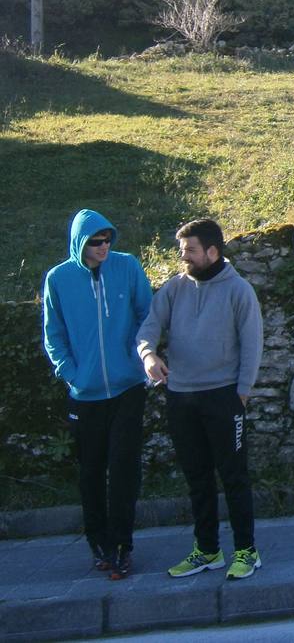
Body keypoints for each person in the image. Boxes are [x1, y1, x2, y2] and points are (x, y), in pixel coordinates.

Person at [138, 219, 265, 581]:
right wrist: (148, 355)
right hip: (181, 398)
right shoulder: (174, 289)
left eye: (190, 251)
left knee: (234, 477)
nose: (184, 258)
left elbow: (253, 343)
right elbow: (149, 325)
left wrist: (241, 393)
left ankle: (247, 551)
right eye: (182, 251)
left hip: (224, 397)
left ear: (212, 251)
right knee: (197, 478)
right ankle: (208, 550)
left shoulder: (239, 291)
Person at [43, 209, 152, 581]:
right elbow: (53, 334)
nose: (104, 247)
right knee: (91, 472)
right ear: (80, 243)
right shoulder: (58, 279)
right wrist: (72, 375)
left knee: (124, 468)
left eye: (107, 239)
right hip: (85, 394)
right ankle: (98, 543)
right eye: (95, 241)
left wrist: (139, 360)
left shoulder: (127, 266)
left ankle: (123, 545)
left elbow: (146, 315)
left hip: (128, 387)